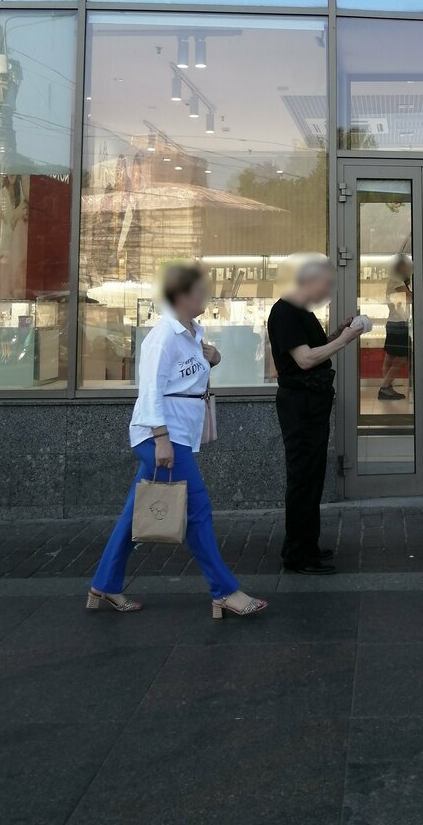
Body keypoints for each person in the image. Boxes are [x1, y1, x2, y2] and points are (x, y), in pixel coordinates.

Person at [87, 260, 267, 619]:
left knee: (133, 515)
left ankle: (104, 585)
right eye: (200, 290)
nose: (206, 296)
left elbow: (184, 381)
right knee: (198, 510)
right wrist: (162, 439)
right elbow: (152, 390)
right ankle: (224, 591)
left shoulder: (193, 333)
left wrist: (214, 359)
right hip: (161, 436)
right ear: (181, 295)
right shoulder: (164, 336)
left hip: (176, 435)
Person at [268, 258, 366, 575]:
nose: (328, 292)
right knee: (302, 478)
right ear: (309, 281)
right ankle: (297, 554)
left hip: (312, 403)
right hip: (300, 405)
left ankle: (307, 545)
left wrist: (338, 332)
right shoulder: (285, 312)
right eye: (326, 285)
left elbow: (315, 347)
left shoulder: (302, 312)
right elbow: (305, 359)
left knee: (312, 477)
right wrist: (344, 340)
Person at [380, 254, 412, 401]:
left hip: (394, 323)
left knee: (390, 357)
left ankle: (387, 388)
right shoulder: (396, 280)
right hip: (399, 324)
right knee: (402, 357)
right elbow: (410, 297)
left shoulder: (396, 280)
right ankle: (385, 387)